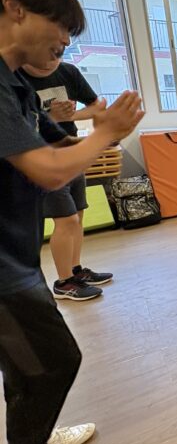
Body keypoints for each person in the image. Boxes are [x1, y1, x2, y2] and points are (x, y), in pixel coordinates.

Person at [0, 0, 143, 444]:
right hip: (1, 265)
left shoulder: (16, 84)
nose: (65, 39)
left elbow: (56, 146)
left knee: (25, 362)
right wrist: (106, 132)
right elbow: (48, 171)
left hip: (14, 251)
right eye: (59, 25)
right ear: (15, 8)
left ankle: (32, 438)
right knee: (55, 360)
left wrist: (97, 127)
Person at [21, 60, 112, 300]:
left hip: (70, 152)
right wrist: (50, 117)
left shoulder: (68, 71)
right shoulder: (14, 76)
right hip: (42, 159)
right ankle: (64, 282)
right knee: (66, 219)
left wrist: (71, 115)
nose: (52, 59)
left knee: (77, 215)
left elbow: (96, 106)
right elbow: (15, 124)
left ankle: (75, 271)